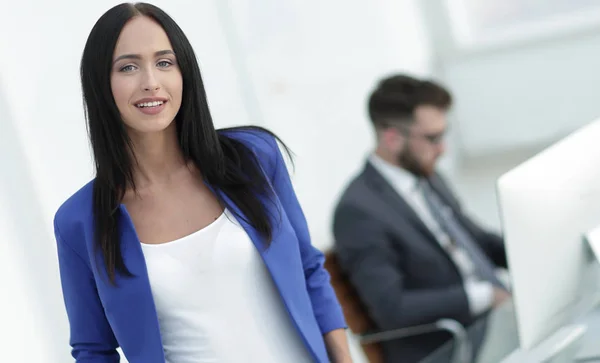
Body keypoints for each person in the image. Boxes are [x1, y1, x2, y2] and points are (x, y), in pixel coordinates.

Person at [54, 3, 352, 363]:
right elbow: (93, 350)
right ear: (100, 84)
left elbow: (308, 269)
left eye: (164, 62)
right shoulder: (80, 221)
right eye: (128, 67)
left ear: (185, 72)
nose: (151, 81)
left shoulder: (253, 158)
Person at [332, 74, 510, 363]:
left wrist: (531, 252)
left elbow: (476, 240)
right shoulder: (358, 211)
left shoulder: (426, 175)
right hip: (447, 346)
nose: (443, 149)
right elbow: (392, 307)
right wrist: (483, 296)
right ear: (392, 138)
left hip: (488, 326)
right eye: (432, 138)